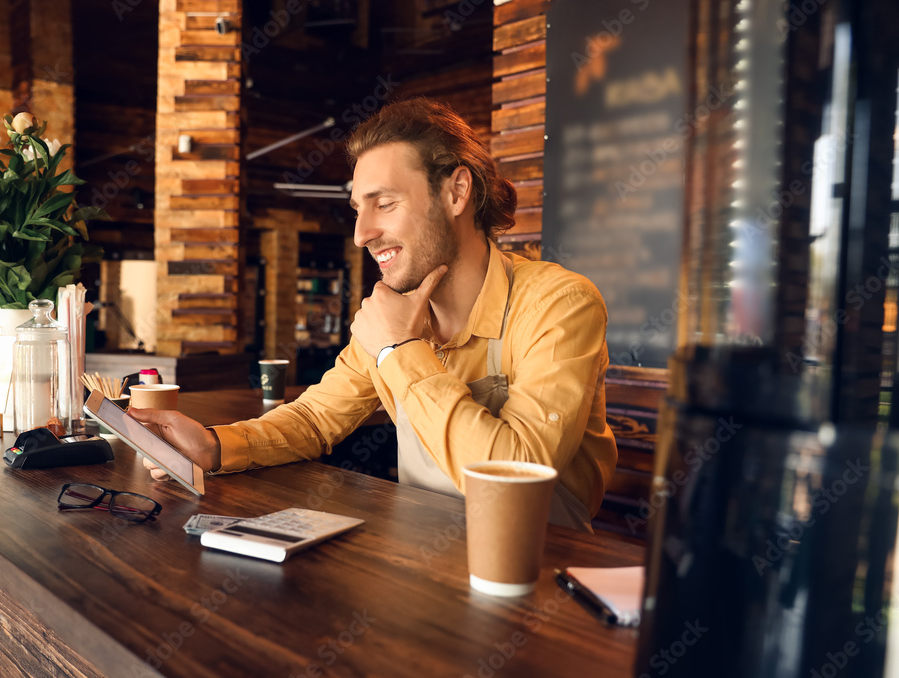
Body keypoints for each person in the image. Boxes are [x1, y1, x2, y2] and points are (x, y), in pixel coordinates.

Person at [130, 98, 617, 531]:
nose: (362, 234)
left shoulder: (559, 303)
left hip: (537, 573)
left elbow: (517, 475)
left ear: (456, 192)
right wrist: (213, 447)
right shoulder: (389, 315)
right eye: (358, 209)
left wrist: (400, 350)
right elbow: (316, 419)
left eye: (384, 203)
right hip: (420, 564)